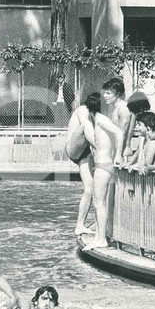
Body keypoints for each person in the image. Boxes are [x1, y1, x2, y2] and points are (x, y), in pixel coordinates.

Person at [80, 92, 125, 249]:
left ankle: (101, 239)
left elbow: (119, 133)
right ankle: (99, 237)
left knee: (99, 203)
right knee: (99, 203)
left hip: (103, 166)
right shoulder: (101, 119)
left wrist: (118, 155)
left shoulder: (100, 120)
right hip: (104, 165)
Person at [65, 92, 100, 236]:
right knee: (86, 125)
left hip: (86, 153)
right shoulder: (82, 110)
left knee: (89, 188)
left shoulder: (97, 115)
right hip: (73, 147)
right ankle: (99, 148)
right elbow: (87, 129)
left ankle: (80, 225)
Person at [121, 92, 151, 167]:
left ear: (140, 109)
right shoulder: (145, 119)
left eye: (135, 112)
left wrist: (140, 163)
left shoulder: (150, 119)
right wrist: (130, 162)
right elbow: (140, 148)